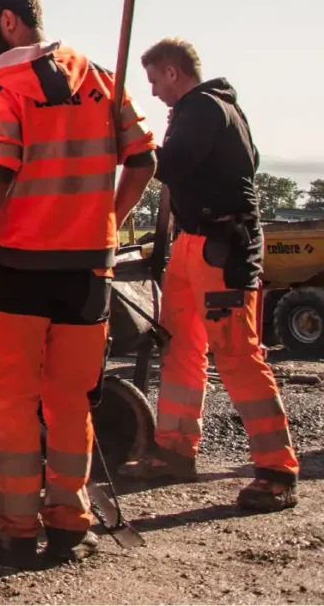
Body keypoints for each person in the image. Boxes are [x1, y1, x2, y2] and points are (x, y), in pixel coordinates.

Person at [0, 0, 156, 567]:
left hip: (20, 268)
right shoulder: (100, 77)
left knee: (14, 403)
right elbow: (143, 160)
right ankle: (69, 521)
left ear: (9, 21)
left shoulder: (1, 84)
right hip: (90, 270)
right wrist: (105, 222)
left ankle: (13, 529)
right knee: (71, 402)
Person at [139, 37, 297, 510]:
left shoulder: (205, 108)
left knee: (236, 353)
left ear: (172, 71)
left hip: (223, 246)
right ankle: (174, 448)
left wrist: (128, 137)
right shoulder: (198, 112)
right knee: (181, 346)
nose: (152, 92)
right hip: (193, 242)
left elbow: (171, 165)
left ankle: (277, 470)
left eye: (152, 80)